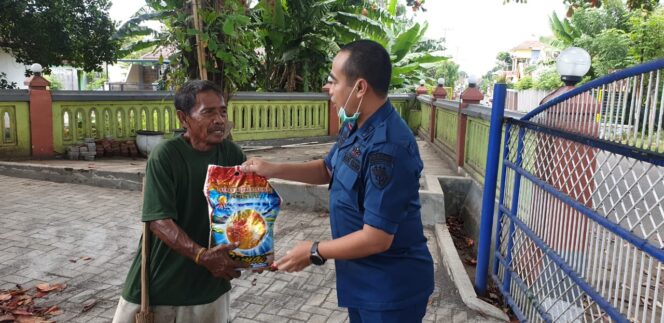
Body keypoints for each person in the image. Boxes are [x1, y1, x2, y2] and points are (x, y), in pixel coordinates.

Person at [241, 39, 434, 323]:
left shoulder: (389, 147)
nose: (326, 88)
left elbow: (376, 238)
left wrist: (314, 250)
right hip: (361, 279)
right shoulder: (355, 124)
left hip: (390, 289)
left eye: (333, 81)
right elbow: (327, 170)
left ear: (360, 88)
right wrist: (274, 168)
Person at [112, 80, 249, 323]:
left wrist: (253, 249)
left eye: (222, 111)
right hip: (162, 285)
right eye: (208, 112)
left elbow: (241, 213)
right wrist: (202, 256)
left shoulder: (231, 154)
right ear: (183, 118)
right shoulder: (166, 155)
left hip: (209, 286)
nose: (219, 120)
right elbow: (158, 220)